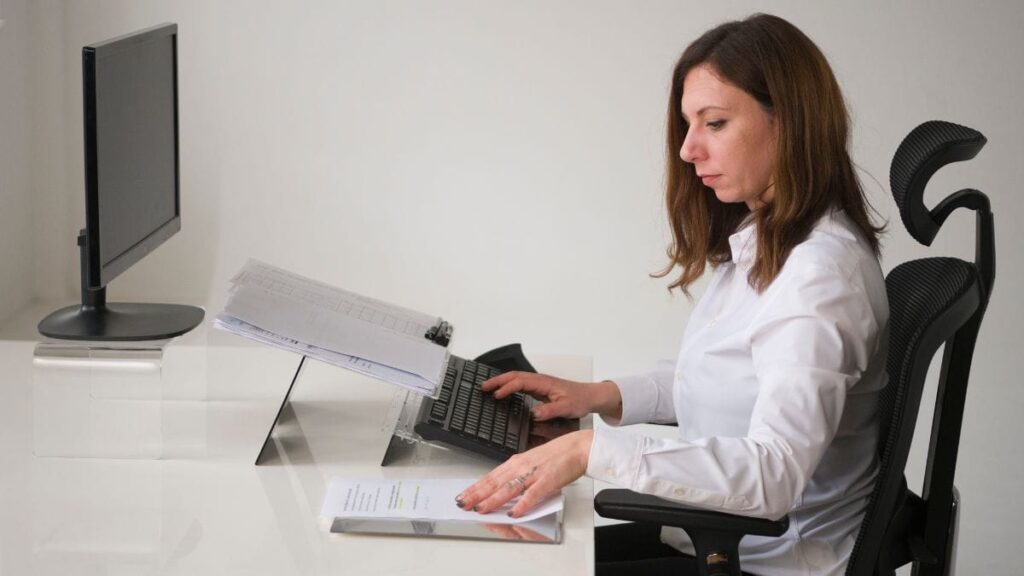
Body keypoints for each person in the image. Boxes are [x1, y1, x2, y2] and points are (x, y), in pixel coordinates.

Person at [455, 13, 888, 576]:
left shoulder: (819, 278)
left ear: (789, 122)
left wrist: (590, 452)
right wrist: (599, 395)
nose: (688, 150)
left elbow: (775, 474)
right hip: (714, 538)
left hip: (770, 560)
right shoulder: (772, 240)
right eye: (689, 125)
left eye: (714, 123)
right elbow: (720, 383)